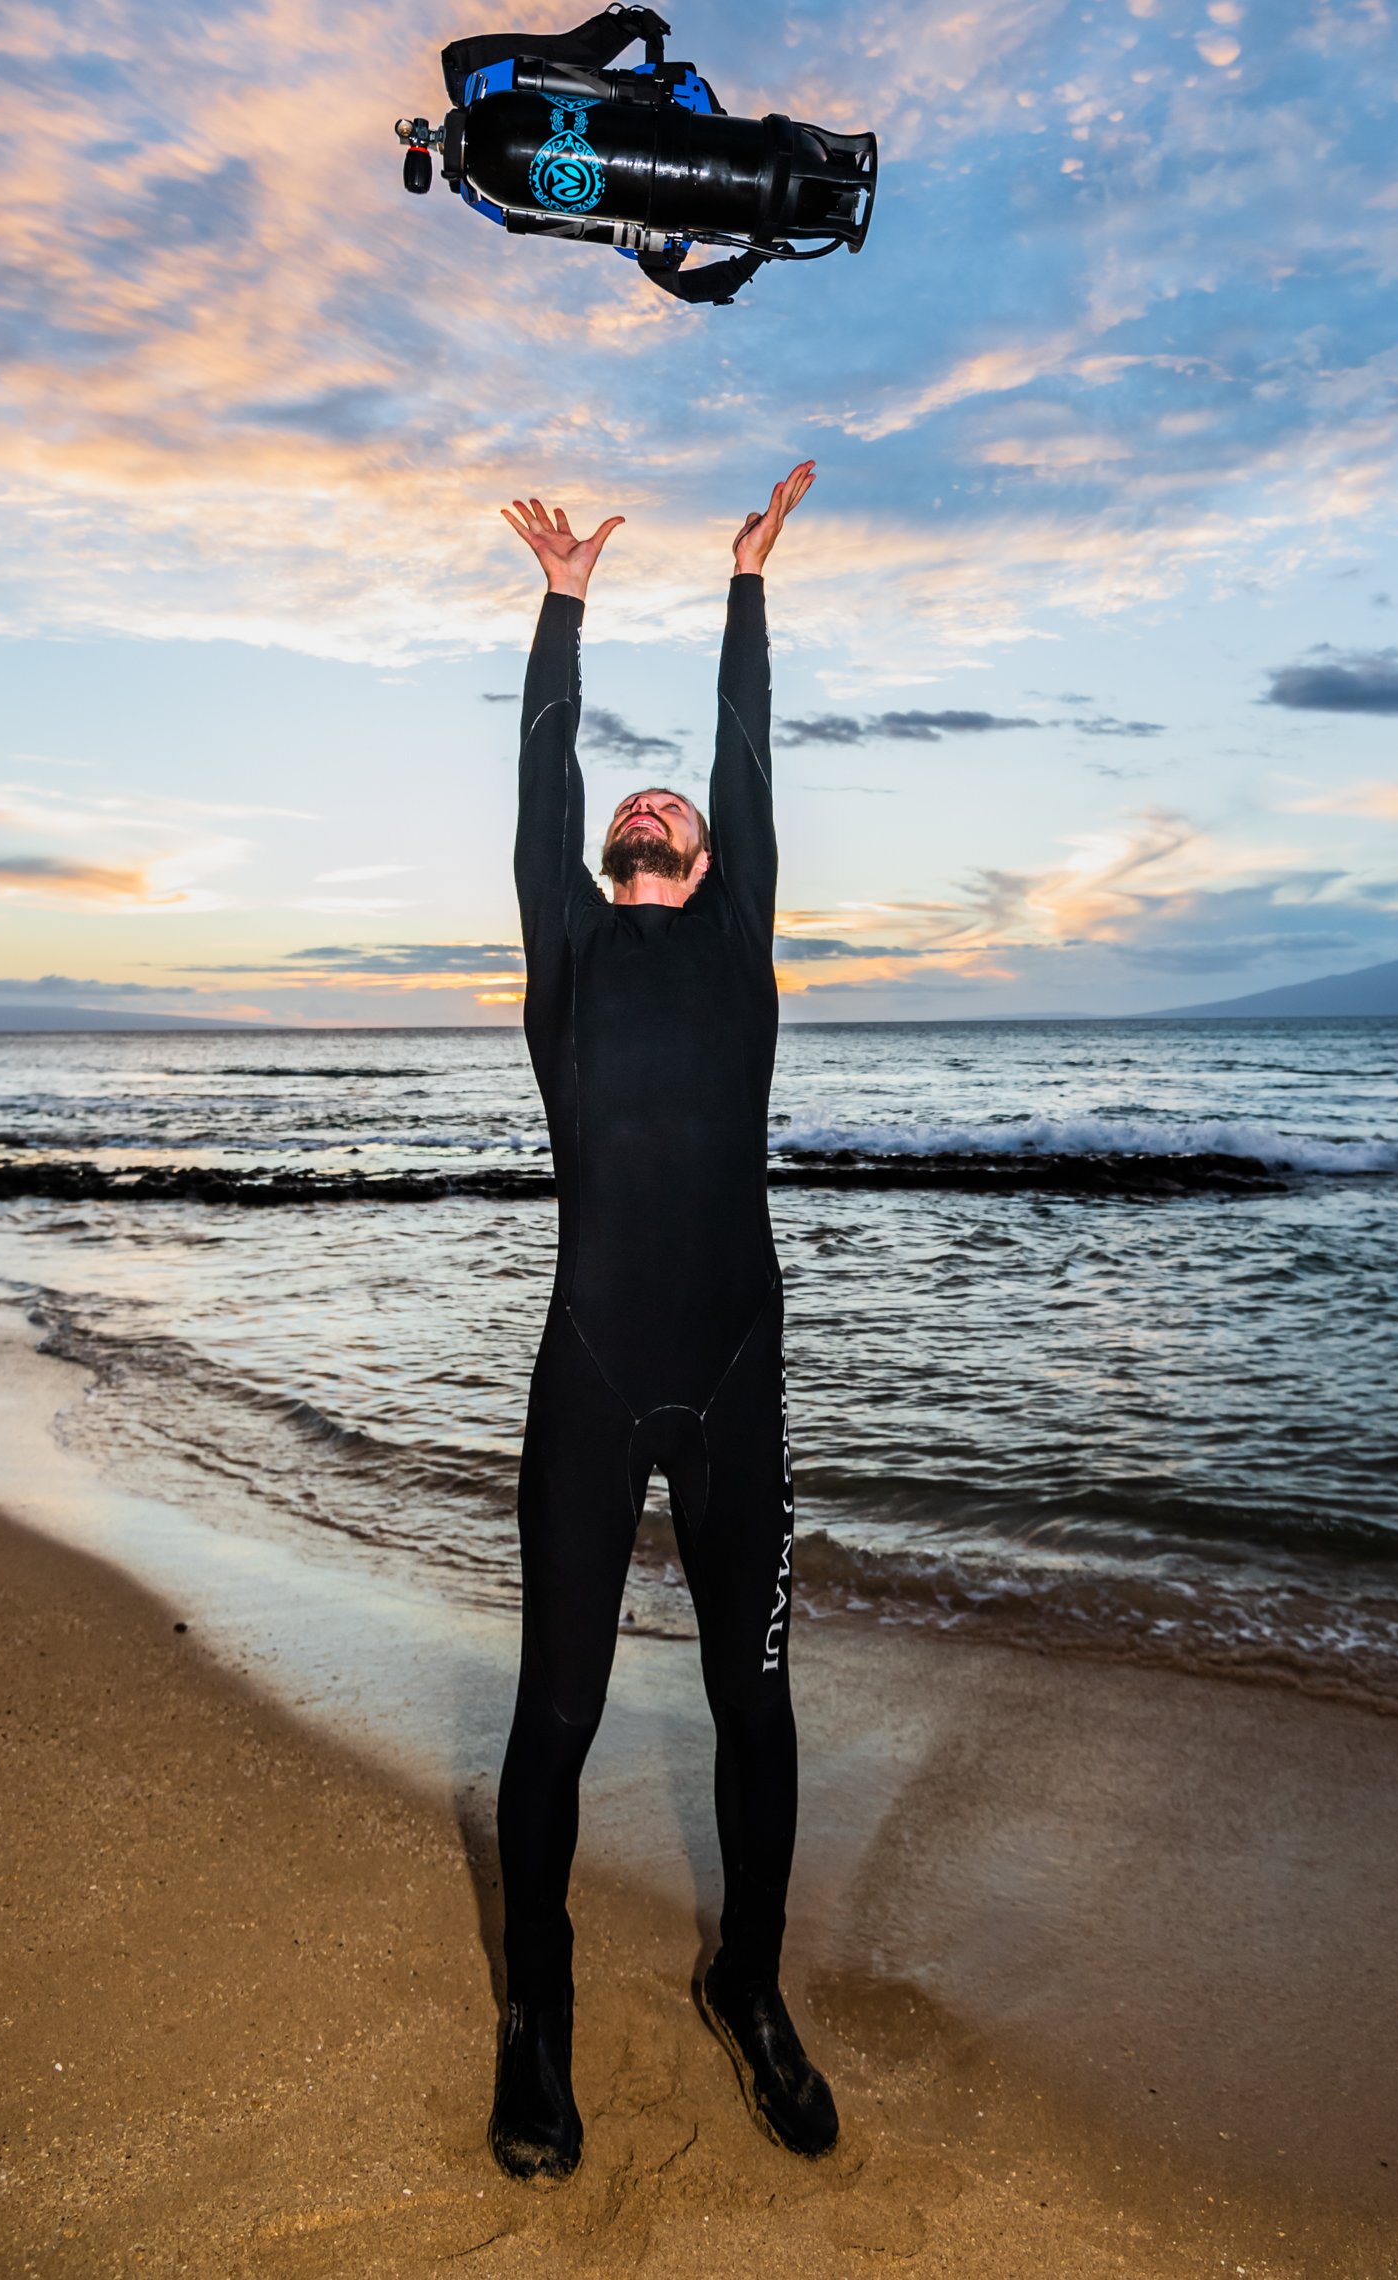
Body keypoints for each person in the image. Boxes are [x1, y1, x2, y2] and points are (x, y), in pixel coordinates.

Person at [489, 460, 836, 2182]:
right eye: (641, 810)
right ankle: (535, 2021)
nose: (658, 808)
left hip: (734, 1377)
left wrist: (746, 592)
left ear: (703, 857)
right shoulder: (568, 956)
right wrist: (563, 606)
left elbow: (749, 762)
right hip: (596, 1373)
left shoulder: (740, 942)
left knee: (756, 1713)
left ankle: (751, 1990)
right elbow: (547, 776)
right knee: (556, 1717)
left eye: (678, 810)